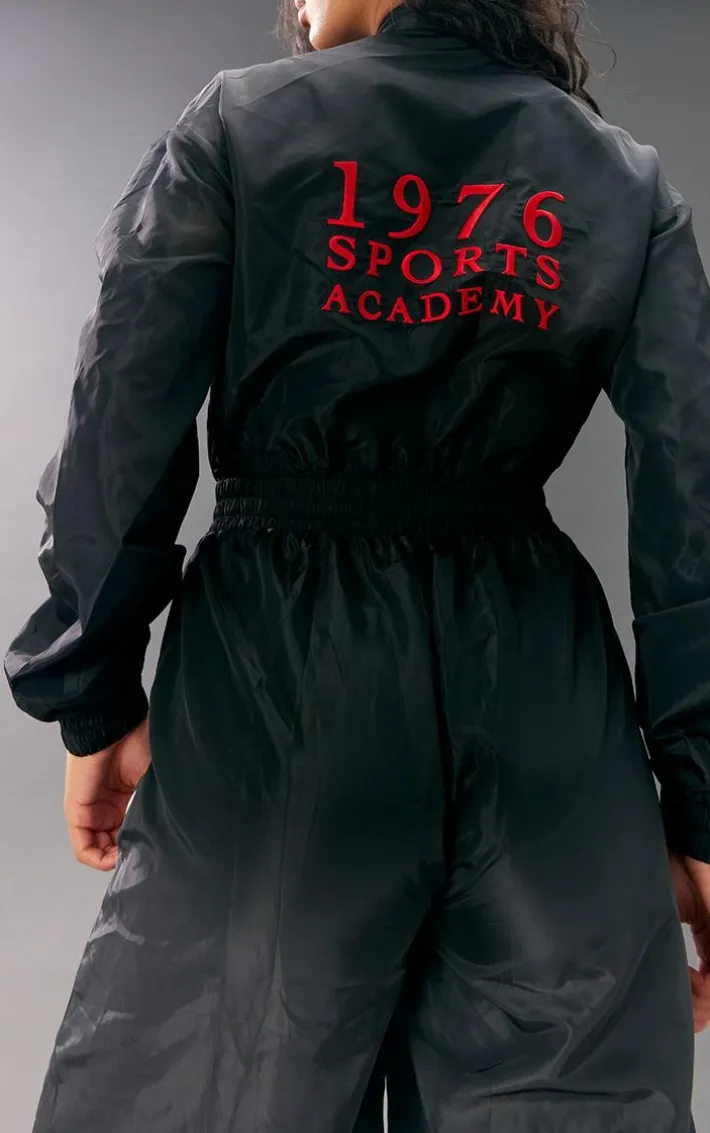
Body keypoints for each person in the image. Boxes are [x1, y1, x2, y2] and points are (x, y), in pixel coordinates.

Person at [5, 0, 710, 1129]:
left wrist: (91, 694)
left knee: (204, 1093)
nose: (293, 5)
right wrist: (701, 812)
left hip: (279, 685)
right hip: (543, 702)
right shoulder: (622, 181)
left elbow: (117, 429)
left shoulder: (237, 127)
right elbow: (695, 494)